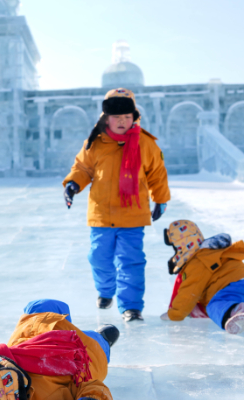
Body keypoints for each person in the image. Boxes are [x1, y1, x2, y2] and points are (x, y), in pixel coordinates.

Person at [62, 88, 171, 322]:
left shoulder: (145, 144)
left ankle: (131, 307)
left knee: (131, 262)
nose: (122, 122)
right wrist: (73, 184)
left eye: (126, 117)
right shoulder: (95, 142)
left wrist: (161, 198)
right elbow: (83, 168)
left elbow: (157, 174)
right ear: (106, 118)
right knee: (98, 257)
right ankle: (105, 290)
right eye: (116, 117)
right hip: (101, 213)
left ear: (134, 117)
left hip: (132, 215)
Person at [160, 220, 244, 334]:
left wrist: (175, 314)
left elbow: (189, 292)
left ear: (182, 245)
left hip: (233, 285)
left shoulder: (198, 261)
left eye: (176, 248)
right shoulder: (209, 254)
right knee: (226, 304)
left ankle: (237, 312)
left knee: (214, 306)